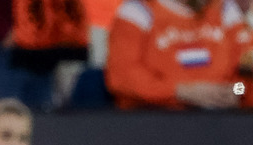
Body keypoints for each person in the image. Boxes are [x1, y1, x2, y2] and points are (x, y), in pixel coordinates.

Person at [106, 0, 252, 109]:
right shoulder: (137, 11)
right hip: (155, 121)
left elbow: (245, 80)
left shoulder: (226, 9)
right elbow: (122, 78)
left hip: (222, 122)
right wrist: (180, 91)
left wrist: (236, 92)